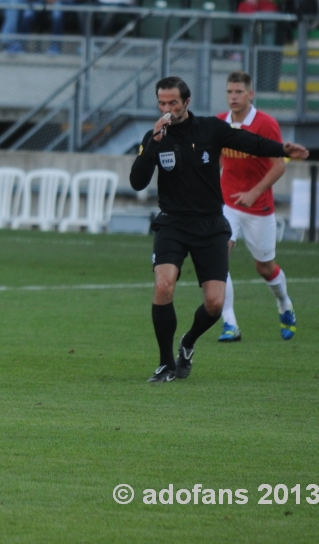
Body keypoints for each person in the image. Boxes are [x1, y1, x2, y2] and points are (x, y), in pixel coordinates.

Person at [129, 76, 308, 383]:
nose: (167, 108)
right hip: (172, 222)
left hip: (211, 225)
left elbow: (250, 142)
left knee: (214, 303)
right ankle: (165, 363)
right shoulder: (155, 136)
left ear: (186, 102)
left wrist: (284, 149)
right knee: (163, 286)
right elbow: (137, 181)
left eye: (173, 102)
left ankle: (187, 344)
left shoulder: (211, 129)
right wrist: (152, 146)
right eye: (162, 102)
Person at [216, 71, 296, 342]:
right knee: (217, 257)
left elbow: (278, 165)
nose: (233, 97)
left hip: (258, 207)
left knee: (265, 267)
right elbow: (216, 161)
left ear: (251, 94)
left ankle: (284, 303)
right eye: (229, 92)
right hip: (227, 204)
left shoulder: (265, 124)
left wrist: (254, 192)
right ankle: (229, 324)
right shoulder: (220, 123)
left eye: (238, 92)